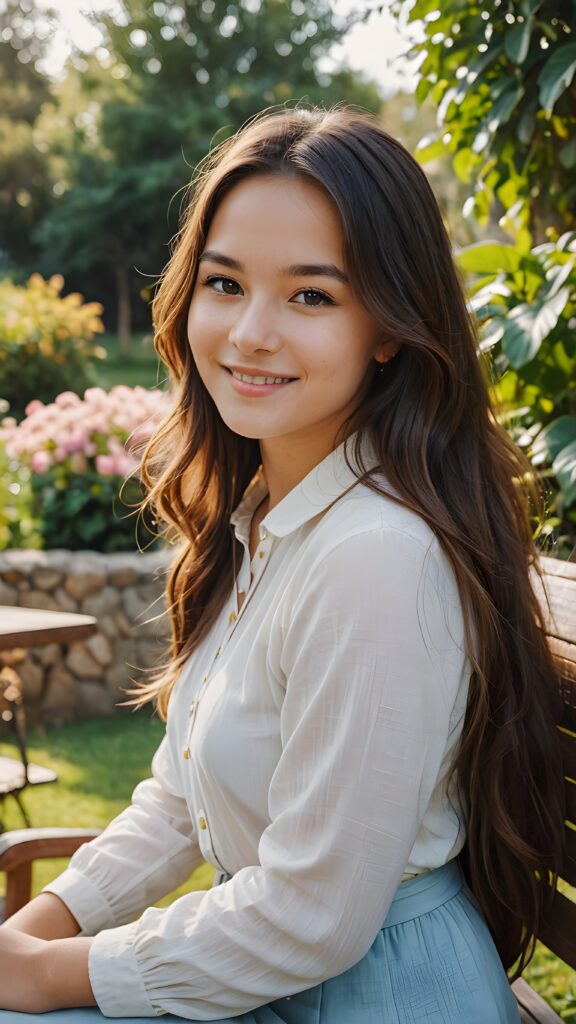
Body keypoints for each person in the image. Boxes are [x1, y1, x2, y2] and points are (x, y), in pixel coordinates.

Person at [0, 105, 565, 1023]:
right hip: (274, 982)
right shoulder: (272, 522)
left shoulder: (375, 558)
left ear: (389, 326)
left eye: (311, 295)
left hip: (373, 999)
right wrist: (38, 929)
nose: (250, 332)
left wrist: (52, 976)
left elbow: (311, 917)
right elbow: (182, 799)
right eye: (224, 283)